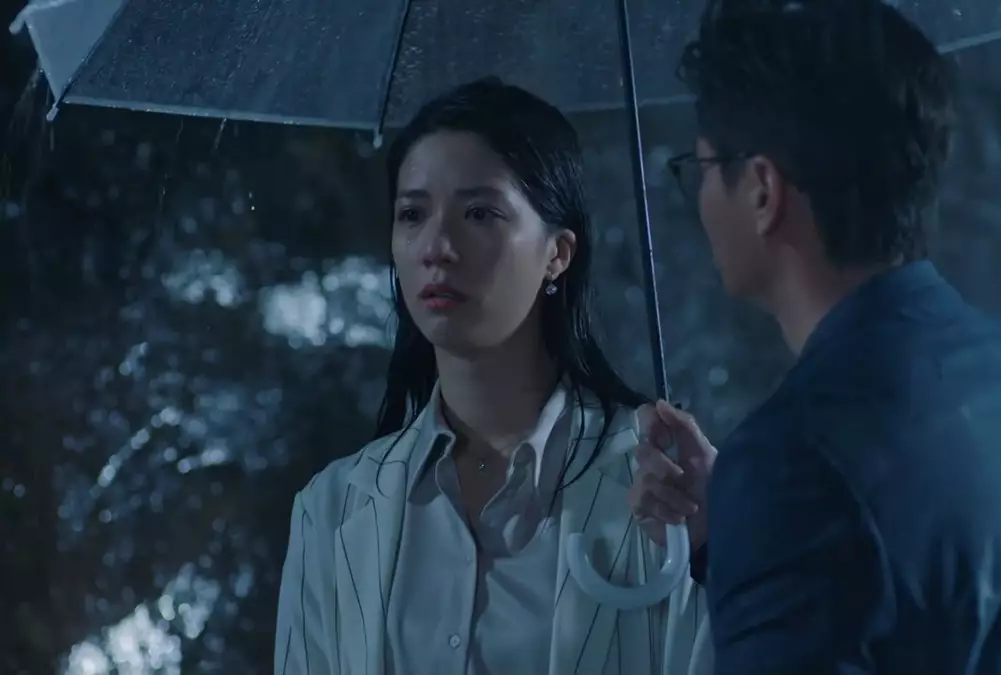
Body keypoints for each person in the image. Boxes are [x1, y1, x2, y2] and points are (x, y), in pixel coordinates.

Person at [626, 0, 1001, 673]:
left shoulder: (798, 460)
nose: (698, 199)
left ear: (761, 189)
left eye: (699, 169)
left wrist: (768, 511)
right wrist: (734, 534)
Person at [274, 78, 713, 675]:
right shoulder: (332, 508)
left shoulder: (662, 486)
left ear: (557, 253)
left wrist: (713, 548)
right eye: (412, 214)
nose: (437, 246)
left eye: (479, 213)